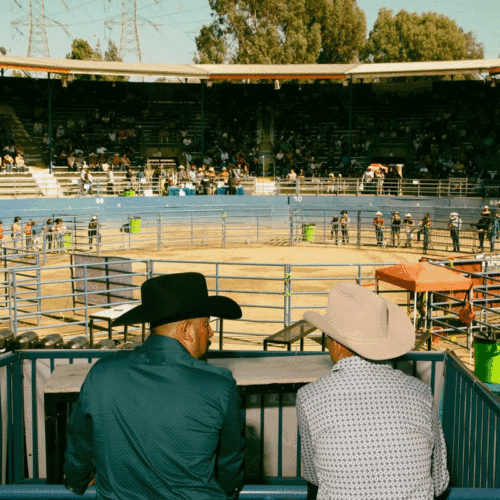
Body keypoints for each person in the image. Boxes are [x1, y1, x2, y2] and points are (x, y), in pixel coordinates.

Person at [64, 272, 245, 500]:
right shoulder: (219, 385)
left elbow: (80, 444)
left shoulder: (102, 373)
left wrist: (76, 482)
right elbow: (230, 462)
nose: (210, 332)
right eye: (206, 324)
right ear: (186, 330)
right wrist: (229, 491)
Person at [296, 283, 449, 500]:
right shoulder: (421, 393)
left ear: (337, 346)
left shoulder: (310, 397)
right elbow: (439, 481)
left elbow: (314, 476)